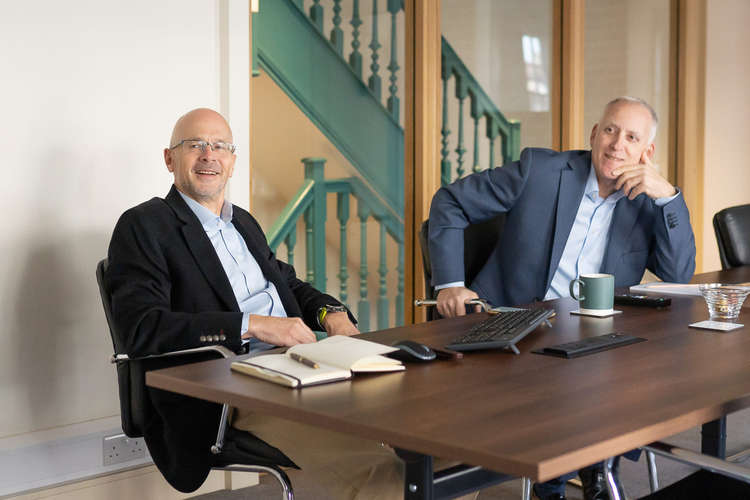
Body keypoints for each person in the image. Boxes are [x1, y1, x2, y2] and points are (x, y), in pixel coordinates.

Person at [104, 108, 404, 498]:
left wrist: (331, 313)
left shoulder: (241, 222)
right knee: (378, 475)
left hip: (304, 366)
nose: (209, 155)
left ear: (232, 162)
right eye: (195, 145)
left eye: (220, 147)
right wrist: (254, 324)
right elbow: (142, 328)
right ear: (169, 158)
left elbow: (288, 283)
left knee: (439, 447)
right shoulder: (144, 225)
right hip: (232, 391)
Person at [428, 97, 696, 500]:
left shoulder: (647, 202)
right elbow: (450, 201)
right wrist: (448, 283)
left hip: (592, 338)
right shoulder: (541, 172)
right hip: (512, 329)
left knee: (635, 370)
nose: (617, 144)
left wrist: (668, 196)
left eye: (631, 137)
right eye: (609, 130)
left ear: (647, 152)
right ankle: (573, 477)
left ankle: (593, 468)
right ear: (594, 134)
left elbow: (678, 276)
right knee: (585, 378)